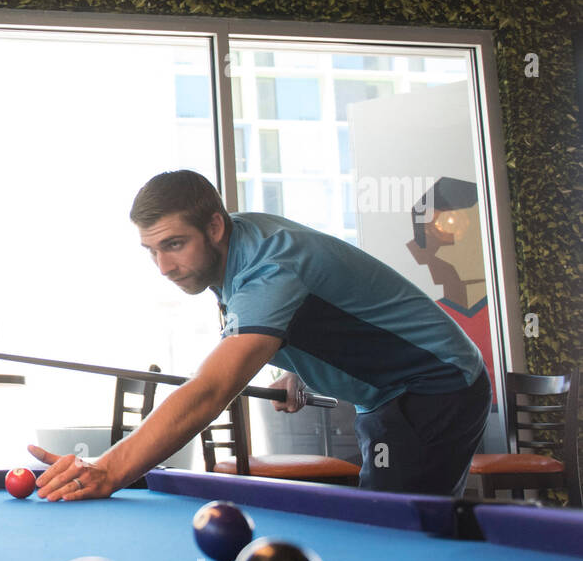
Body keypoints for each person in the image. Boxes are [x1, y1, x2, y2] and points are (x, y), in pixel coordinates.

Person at [30, 169, 491, 501]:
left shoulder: (270, 266)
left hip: (436, 384)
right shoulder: (237, 244)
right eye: (151, 251)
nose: (165, 268)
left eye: (174, 245)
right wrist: (297, 369)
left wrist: (109, 469)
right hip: (391, 394)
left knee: (400, 530)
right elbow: (321, 307)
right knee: (388, 522)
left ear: (213, 226)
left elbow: (211, 389)